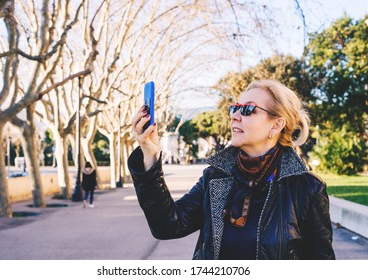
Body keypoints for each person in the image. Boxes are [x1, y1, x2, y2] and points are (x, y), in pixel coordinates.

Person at [128, 79, 335, 260]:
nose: (235, 115)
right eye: (234, 108)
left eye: (247, 109)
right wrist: (149, 153)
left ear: (276, 125)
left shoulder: (307, 188)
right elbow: (167, 225)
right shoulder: (215, 177)